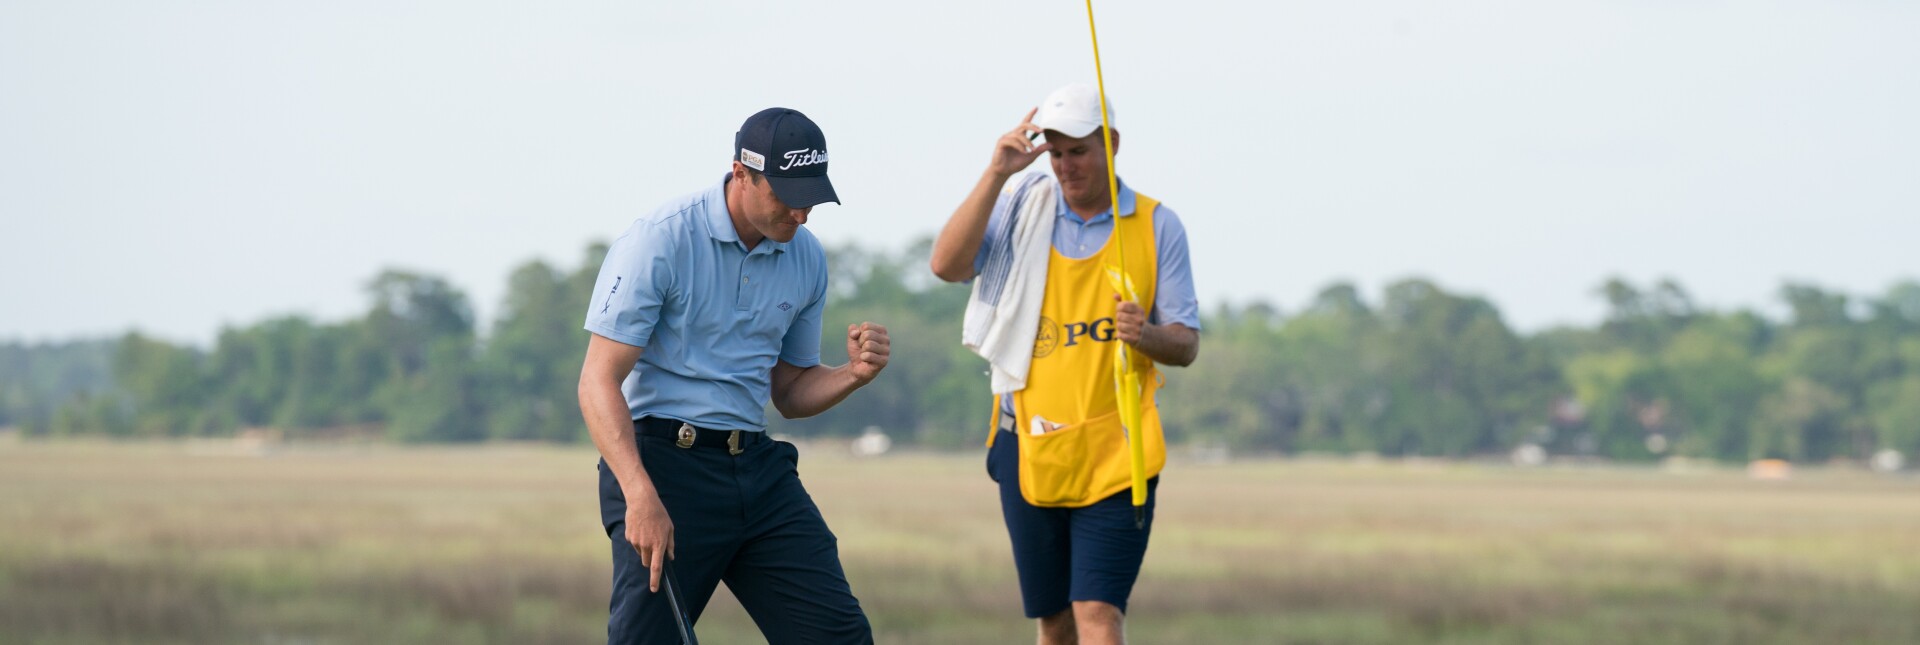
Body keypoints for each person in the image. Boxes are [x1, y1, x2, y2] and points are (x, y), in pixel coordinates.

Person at [579, 107, 888, 644]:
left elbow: (789, 393)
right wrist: (639, 494)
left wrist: (852, 375)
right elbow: (597, 382)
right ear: (741, 174)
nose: (802, 214)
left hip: (758, 472)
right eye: (788, 195)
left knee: (839, 637)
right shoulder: (661, 240)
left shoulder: (806, 256)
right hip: (663, 467)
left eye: (811, 196)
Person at [929, 83, 1201, 645]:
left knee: (1097, 614)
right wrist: (997, 174)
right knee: (1053, 622)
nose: (1065, 165)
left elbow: (1186, 343)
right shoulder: (1021, 207)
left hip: (1117, 450)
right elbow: (947, 266)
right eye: (1055, 152)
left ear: (1112, 144)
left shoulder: (1156, 225)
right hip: (1026, 443)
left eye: (1078, 150)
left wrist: (1144, 335)